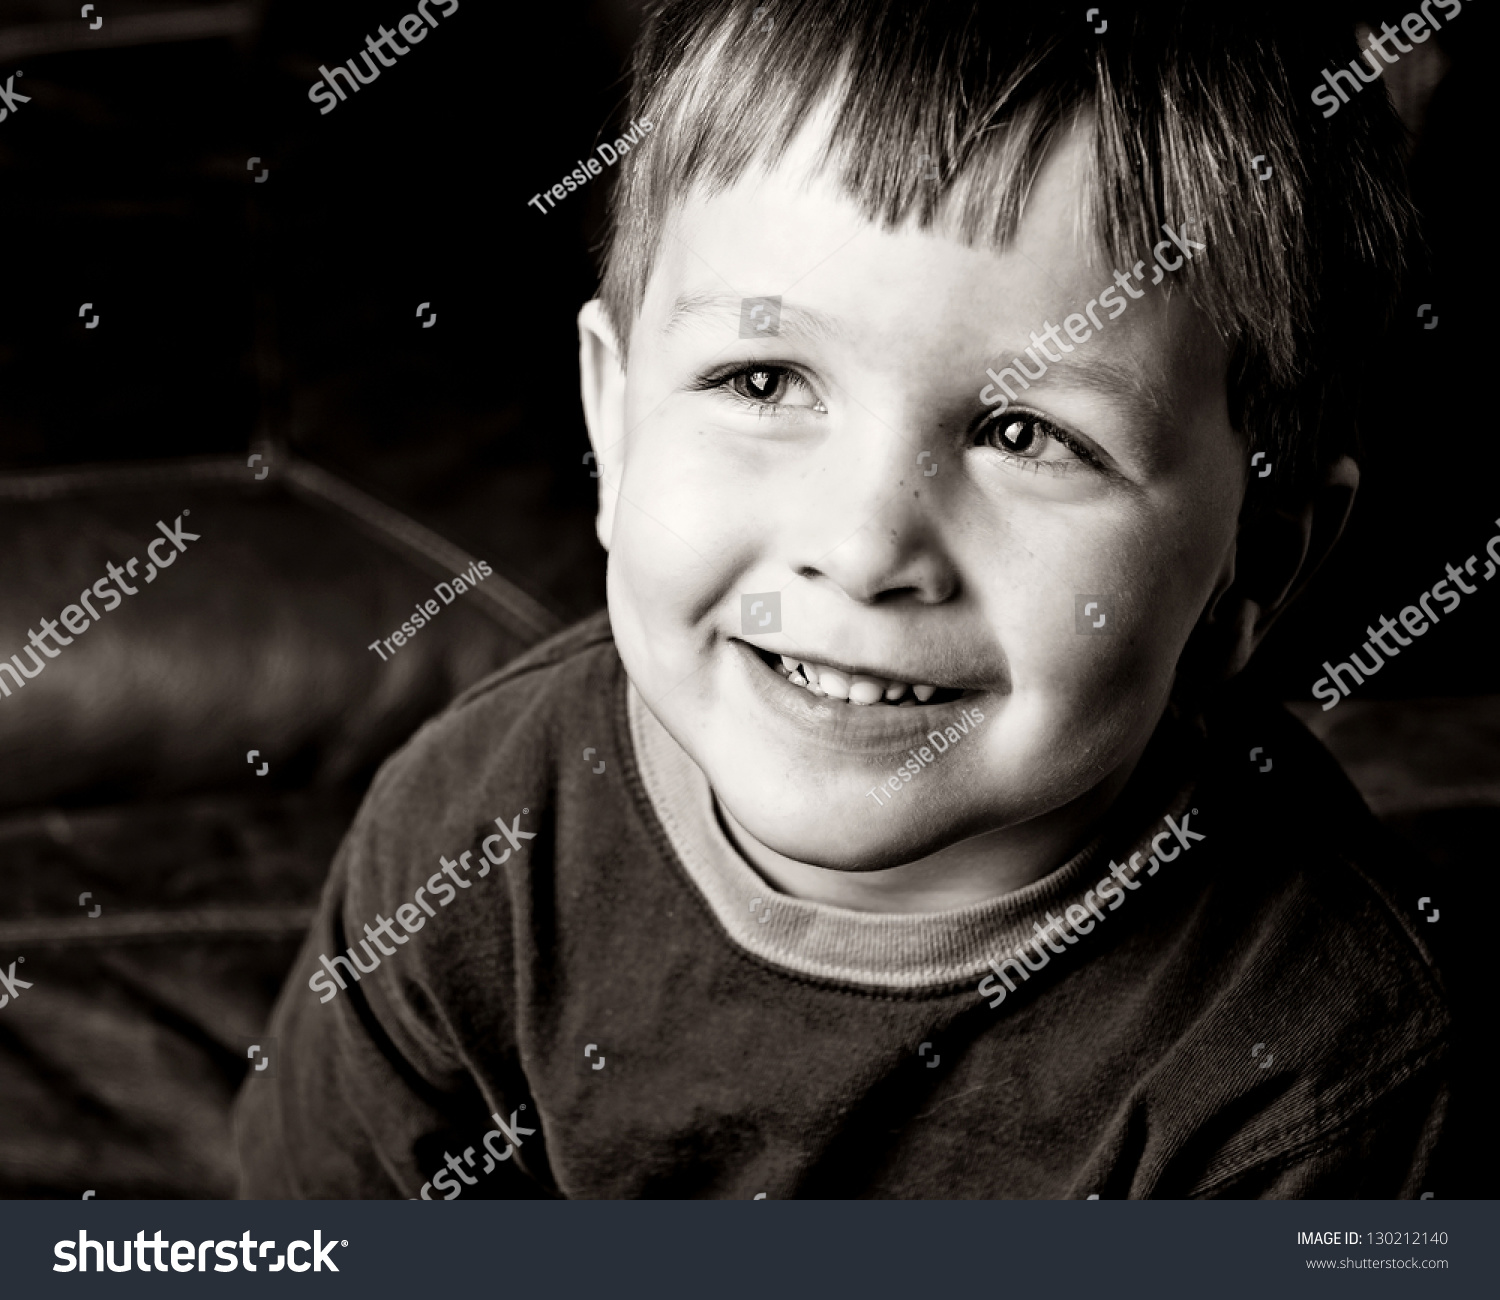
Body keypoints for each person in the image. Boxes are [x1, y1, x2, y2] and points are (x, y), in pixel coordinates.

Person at [237, 0, 1447, 1198]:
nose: (864, 549)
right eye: (762, 380)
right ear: (614, 419)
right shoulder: (472, 830)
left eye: (1027, 433)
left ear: (1260, 564)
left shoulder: (1324, 1068)